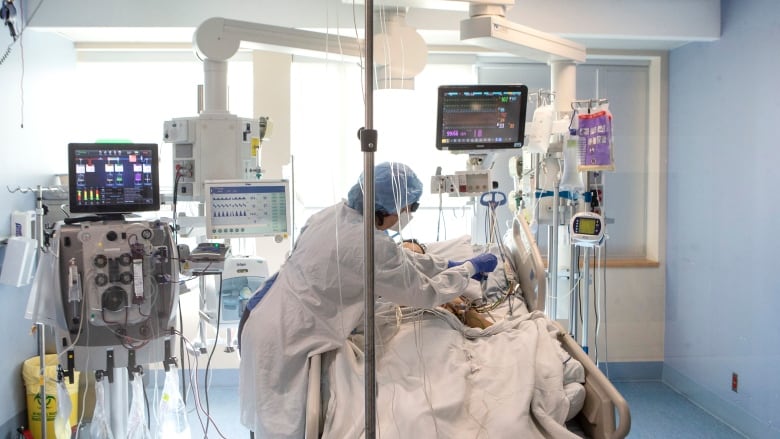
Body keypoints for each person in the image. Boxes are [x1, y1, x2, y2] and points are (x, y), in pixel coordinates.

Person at [238, 162, 497, 438]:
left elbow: (401, 259)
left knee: (265, 414)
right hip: (285, 336)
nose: (407, 215)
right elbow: (425, 293)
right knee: (279, 419)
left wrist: (447, 263)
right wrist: (468, 270)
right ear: (384, 212)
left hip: (261, 311)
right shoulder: (370, 246)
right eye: (408, 208)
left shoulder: (333, 215)